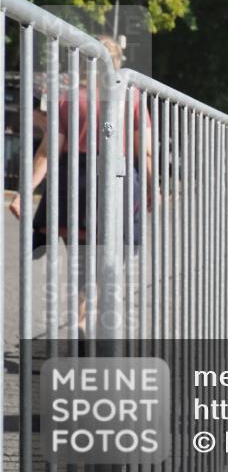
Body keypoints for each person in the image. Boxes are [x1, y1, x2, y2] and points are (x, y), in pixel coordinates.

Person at [8, 35, 153, 338]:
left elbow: (48, 152)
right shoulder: (132, 97)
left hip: (75, 186)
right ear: (117, 63)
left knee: (81, 258)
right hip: (117, 185)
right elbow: (146, 151)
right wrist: (153, 187)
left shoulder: (68, 99)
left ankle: (81, 319)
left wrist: (25, 192)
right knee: (110, 260)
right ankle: (94, 319)